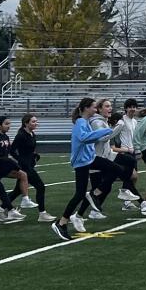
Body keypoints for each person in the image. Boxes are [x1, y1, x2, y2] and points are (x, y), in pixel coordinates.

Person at [56, 96, 102, 239]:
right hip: (82, 162)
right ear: (86, 108)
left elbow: (91, 139)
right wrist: (107, 131)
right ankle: (62, 222)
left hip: (88, 160)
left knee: (115, 169)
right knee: (79, 194)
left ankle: (63, 222)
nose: (96, 109)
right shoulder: (81, 122)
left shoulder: (85, 122)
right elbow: (84, 138)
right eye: (94, 107)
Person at [11, 112, 52, 222]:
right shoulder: (21, 135)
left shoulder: (32, 134)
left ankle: (1, 210)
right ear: (26, 123)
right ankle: (42, 213)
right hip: (25, 166)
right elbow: (12, 150)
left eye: (36, 121)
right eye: (33, 121)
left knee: (18, 190)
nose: (36, 123)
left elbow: (30, 149)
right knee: (40, 186)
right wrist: (21, 160)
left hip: (30, 164)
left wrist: (35, 155)